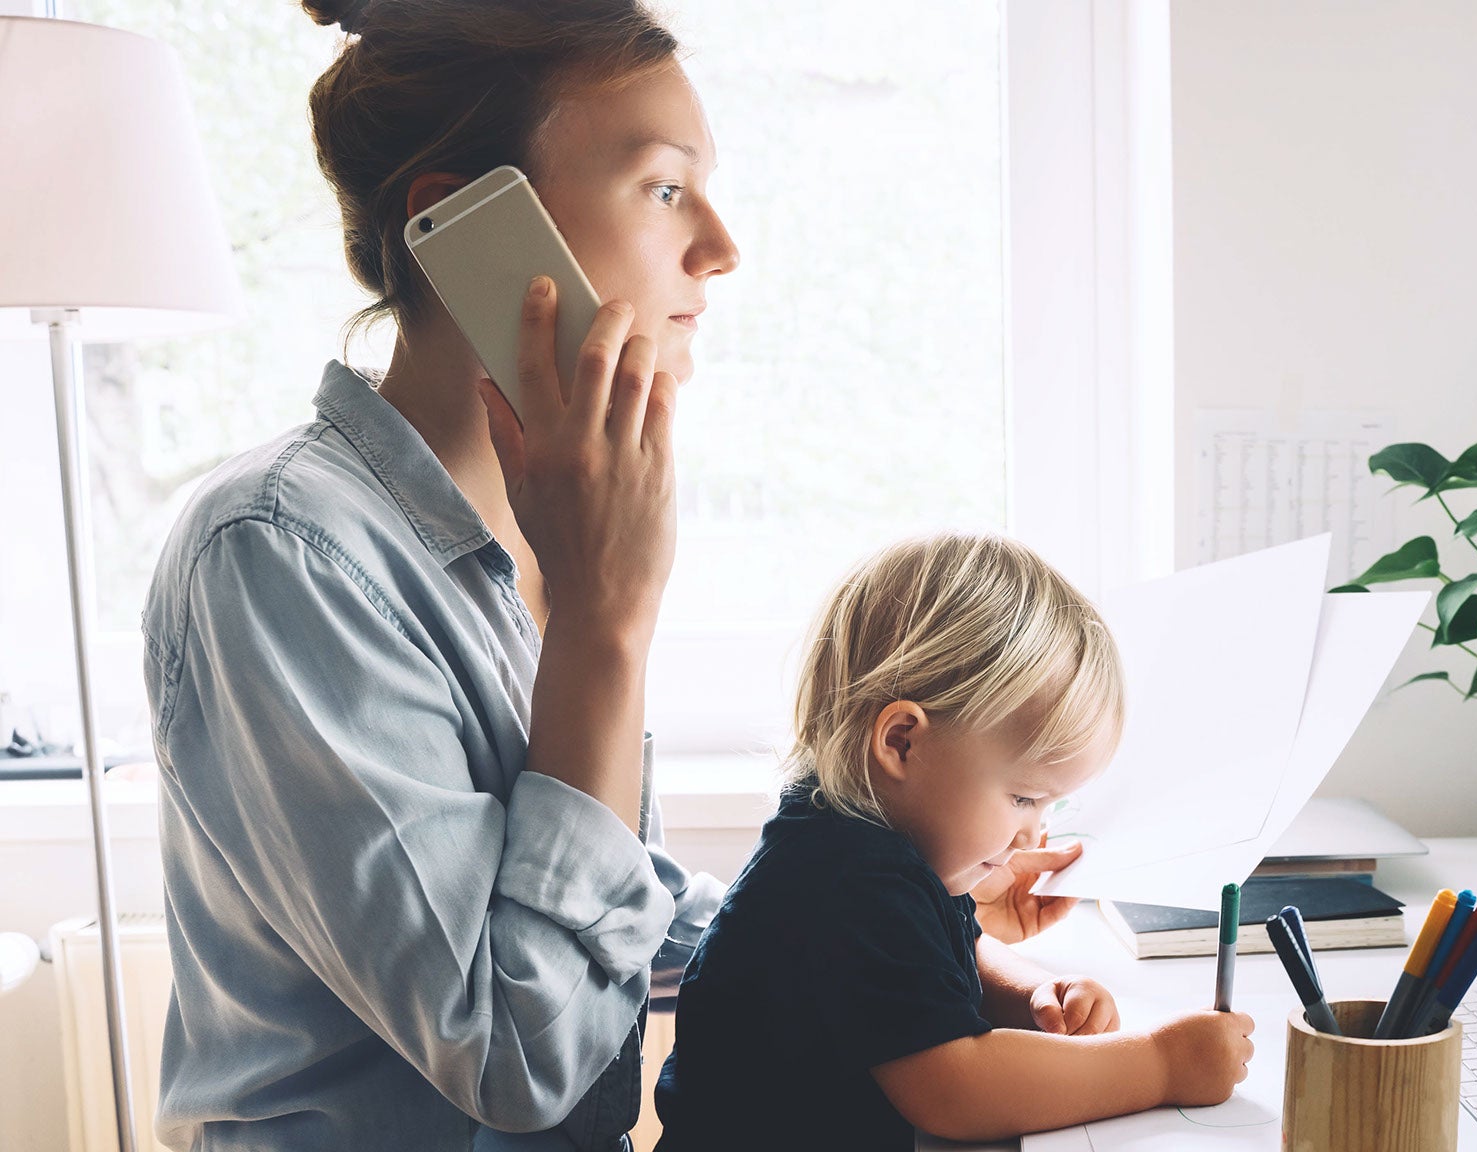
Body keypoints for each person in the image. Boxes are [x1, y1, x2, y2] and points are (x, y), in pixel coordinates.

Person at [140, 2, 1078, 1148]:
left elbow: (595, 916)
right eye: (662, 187)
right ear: (460, 224)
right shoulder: (281, 554)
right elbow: (521, 1055)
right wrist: (604, 620)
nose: (720, 245)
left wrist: (896, 923)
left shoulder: (545, 529)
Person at [653, 534, 1255, 1150]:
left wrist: (1033, 994)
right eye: (1022, 798)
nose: (1033, 832)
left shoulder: (868, 841)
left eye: (1050, 805)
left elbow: (954, 949)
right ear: (902, 742)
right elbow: (955, 1087)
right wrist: (1160, 1064)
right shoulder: (849, 880)